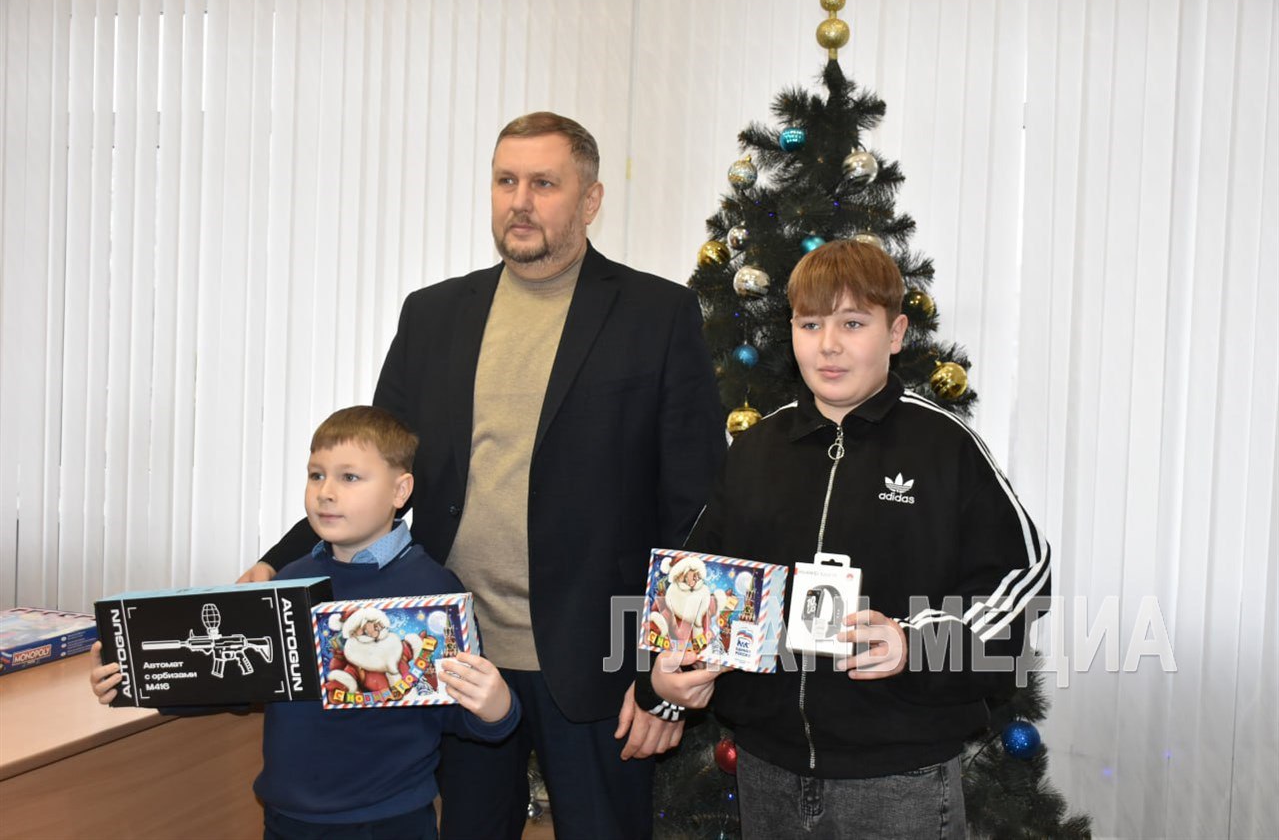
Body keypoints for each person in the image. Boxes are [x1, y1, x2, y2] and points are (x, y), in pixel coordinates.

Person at [239, 112, 724, 839]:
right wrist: (276, 562)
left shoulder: (656, 313)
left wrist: (667, 683)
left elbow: (695, 505)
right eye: (505, 181)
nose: (519, 201)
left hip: (597, 663)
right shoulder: (433, 314)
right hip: (452, 657)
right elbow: (374, 468)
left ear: (590, 200)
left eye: (543, 183)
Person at [652, 240, 1051, 839]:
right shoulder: (757, 449)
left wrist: (916, 644)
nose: (829, 345)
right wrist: (666, 679)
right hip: (766, 768)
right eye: (810, 324)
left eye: (853, 323)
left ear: (896, 334)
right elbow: (698, 579)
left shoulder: (945, 447)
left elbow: (1023, 579)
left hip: (900, 780)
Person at [90, 406, 520, 840]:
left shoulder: (432, 591)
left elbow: (464, 716)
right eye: (316, 475)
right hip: (287, 816)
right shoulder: (288, 581)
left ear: (400, 490)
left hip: (387, 820)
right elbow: (240, 683)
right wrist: (136, 678)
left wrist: (497, 706)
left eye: (349, 477)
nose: (325, 492)